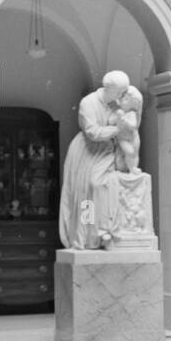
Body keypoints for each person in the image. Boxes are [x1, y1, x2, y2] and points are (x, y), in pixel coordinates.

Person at [59, 71, 131, 249]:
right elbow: (93, 132)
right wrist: (117, 129)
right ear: (111, 89)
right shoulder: (88, 103)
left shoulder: (116, 103)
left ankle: (105, 231)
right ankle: (86, 237)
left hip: (106, 151)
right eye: (121, 91)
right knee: (87, 190)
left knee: (104, 186)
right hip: (87, 151)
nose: (122, 94)